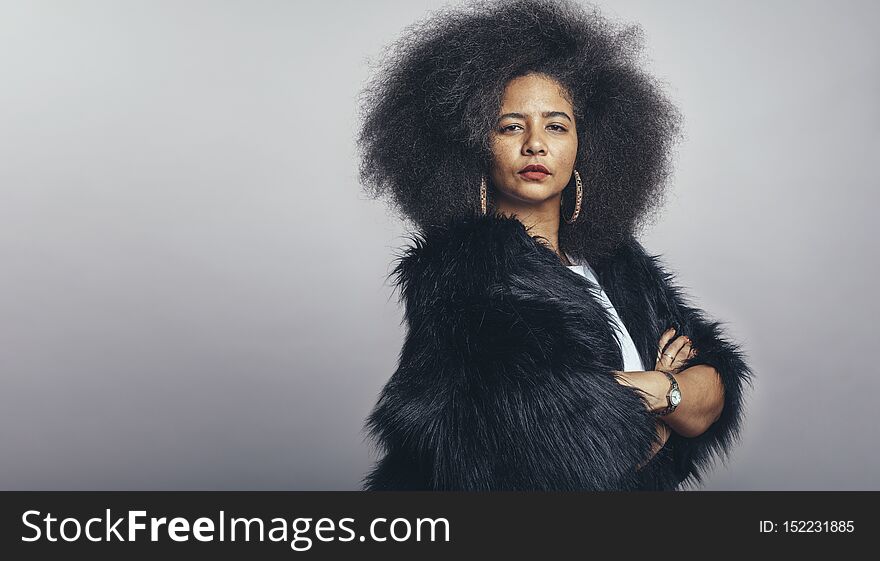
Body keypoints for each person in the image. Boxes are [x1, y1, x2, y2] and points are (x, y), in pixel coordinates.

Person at [356, 0, 753, 490]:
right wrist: (668, 395)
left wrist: (652, 393)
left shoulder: (617, 265)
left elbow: (714, 387)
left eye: (556, 125)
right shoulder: (462, 273)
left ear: (587, 147)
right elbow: (554, 460)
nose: (535, 144)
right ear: (474, 146)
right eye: (510, 125)